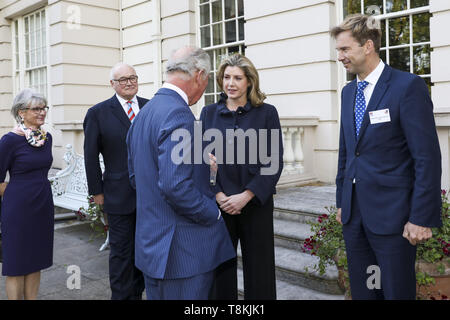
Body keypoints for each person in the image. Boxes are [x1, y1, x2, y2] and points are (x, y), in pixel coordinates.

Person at [332, 14, 442, 300]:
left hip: (393, 218)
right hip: (355, 218)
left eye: (345, 49)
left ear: (368, 46)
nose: (340, 57)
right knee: (367, 291)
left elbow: (426, 158)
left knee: (395, 292)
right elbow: (347, 151)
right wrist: (342, 200)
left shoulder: (407, 87)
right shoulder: (347, 93)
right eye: (338, 51)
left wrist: (421, 217)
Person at [126, 46, 235, 300]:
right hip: (182, 252)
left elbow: (137, 178)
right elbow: (175, 186)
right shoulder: (179, 114)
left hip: (153, 248)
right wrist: (214, 213)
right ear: (198, 75)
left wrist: (204, 169)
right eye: (207, 80)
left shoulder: (144, 114)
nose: (205, 87)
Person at [200, 54, 284, 300]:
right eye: (226, 77)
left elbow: (273, 161)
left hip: (255, 203)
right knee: (220, 272)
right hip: (220, 205)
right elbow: (200, 160)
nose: (231, 83)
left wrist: (247, 195)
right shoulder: (207, 114)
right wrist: (218, 195)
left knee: (260, 271)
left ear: (250, 81)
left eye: (237, 77)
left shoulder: (267, 113)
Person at [83, 62, 147, 300]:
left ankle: (138, 292)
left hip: (151, 195)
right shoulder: (98, 113)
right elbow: (90, 157)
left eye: (133, 77)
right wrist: (97, 193)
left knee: (144, 250)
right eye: (123, 79)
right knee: (121, 252)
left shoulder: (150, 107)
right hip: (118, 196)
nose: (129, 82)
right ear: (112, 84)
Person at [0, 88, 54, 300]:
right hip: (18, 210)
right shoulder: (9, 141)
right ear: (21, 112)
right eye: (36, 109)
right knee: (16, 264)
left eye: (44, 108)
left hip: (43, 206)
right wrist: (16, 191)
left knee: (36, 260)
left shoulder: (46, 138)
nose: (42, 113)